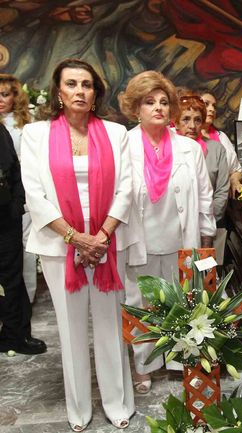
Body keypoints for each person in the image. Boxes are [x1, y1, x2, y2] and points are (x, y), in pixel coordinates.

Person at [21, 58, 134, 431]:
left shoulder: (116, 134)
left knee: (109, 325)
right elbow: (34, 194)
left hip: (107, 244)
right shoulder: (35, 135)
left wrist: (101, 236)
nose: (80, 91)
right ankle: (78, 409)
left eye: (87, 85)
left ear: (96, 93)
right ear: (59, 92)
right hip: (60, 246)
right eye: (71, 84)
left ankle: (117, 403)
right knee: (70, 330)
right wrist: (75, 237)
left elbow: (126, 188)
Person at [119, 71, 216, 395]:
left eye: (163, 102)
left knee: (181, 301)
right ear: (136, 108)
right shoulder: (123, 146)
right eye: (150, 102)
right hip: (139, 240)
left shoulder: (189, 148)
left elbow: (205, 196)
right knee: (140, 303)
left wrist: (206, 239)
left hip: (180, 239)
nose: (158, 107)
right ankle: (144, 366)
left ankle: (178, 361)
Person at [0, 122, 46, 356]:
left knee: (12, 277)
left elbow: (15, 171)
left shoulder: (2, 130)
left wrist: (17, 204)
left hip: (6, 215)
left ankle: (15, 335)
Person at [0, 74, 37, 302]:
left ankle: (27, 297)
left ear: (15, 96)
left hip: (26, 191)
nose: (0, 100)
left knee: (27, 244)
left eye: (5, 94)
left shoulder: (27, 123)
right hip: (5, 194)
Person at [175, 94, 229, 237]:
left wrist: (206, 223)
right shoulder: (167, 149)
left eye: (198, 120)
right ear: (176, 122)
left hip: (208, 227)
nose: (192, 126)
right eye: (186, 119)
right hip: (173, 229)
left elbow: (222, 192)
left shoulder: (217, 149)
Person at [199, 89, 242, 197]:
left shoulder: (222, 137)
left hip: (220, 199)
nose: (211, 109)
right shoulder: (183, 136)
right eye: (206, 104)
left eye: (214, 106)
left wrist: (234, 180)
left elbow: (236, 170)